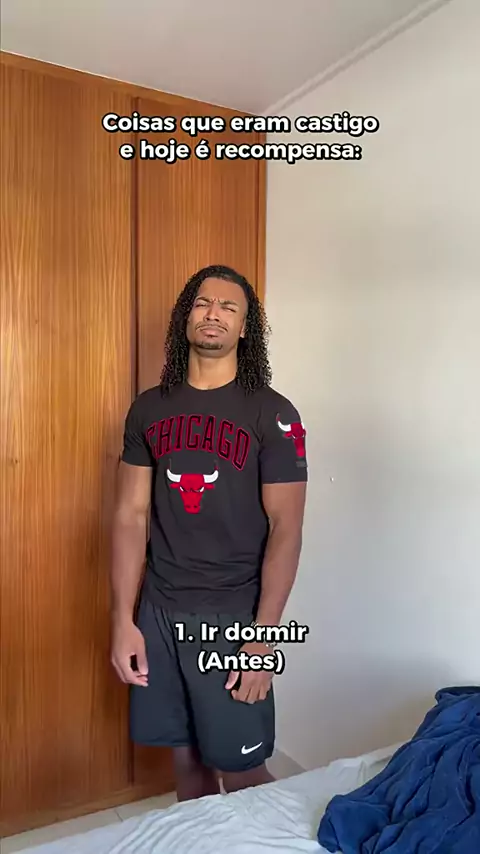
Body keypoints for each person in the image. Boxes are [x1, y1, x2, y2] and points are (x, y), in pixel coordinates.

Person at [110, 264, 307, 800]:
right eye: (202, 303)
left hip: (232, 617)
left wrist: (263, 640)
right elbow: (130, 515)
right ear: (186, 318)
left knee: (244, 777)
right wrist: (123, 619)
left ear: (245, 328)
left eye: (228, 306)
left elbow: (287, 528)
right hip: (159, 611)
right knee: (188, 763)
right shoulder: (148, 409)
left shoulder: (274, 414)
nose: (213, 313)